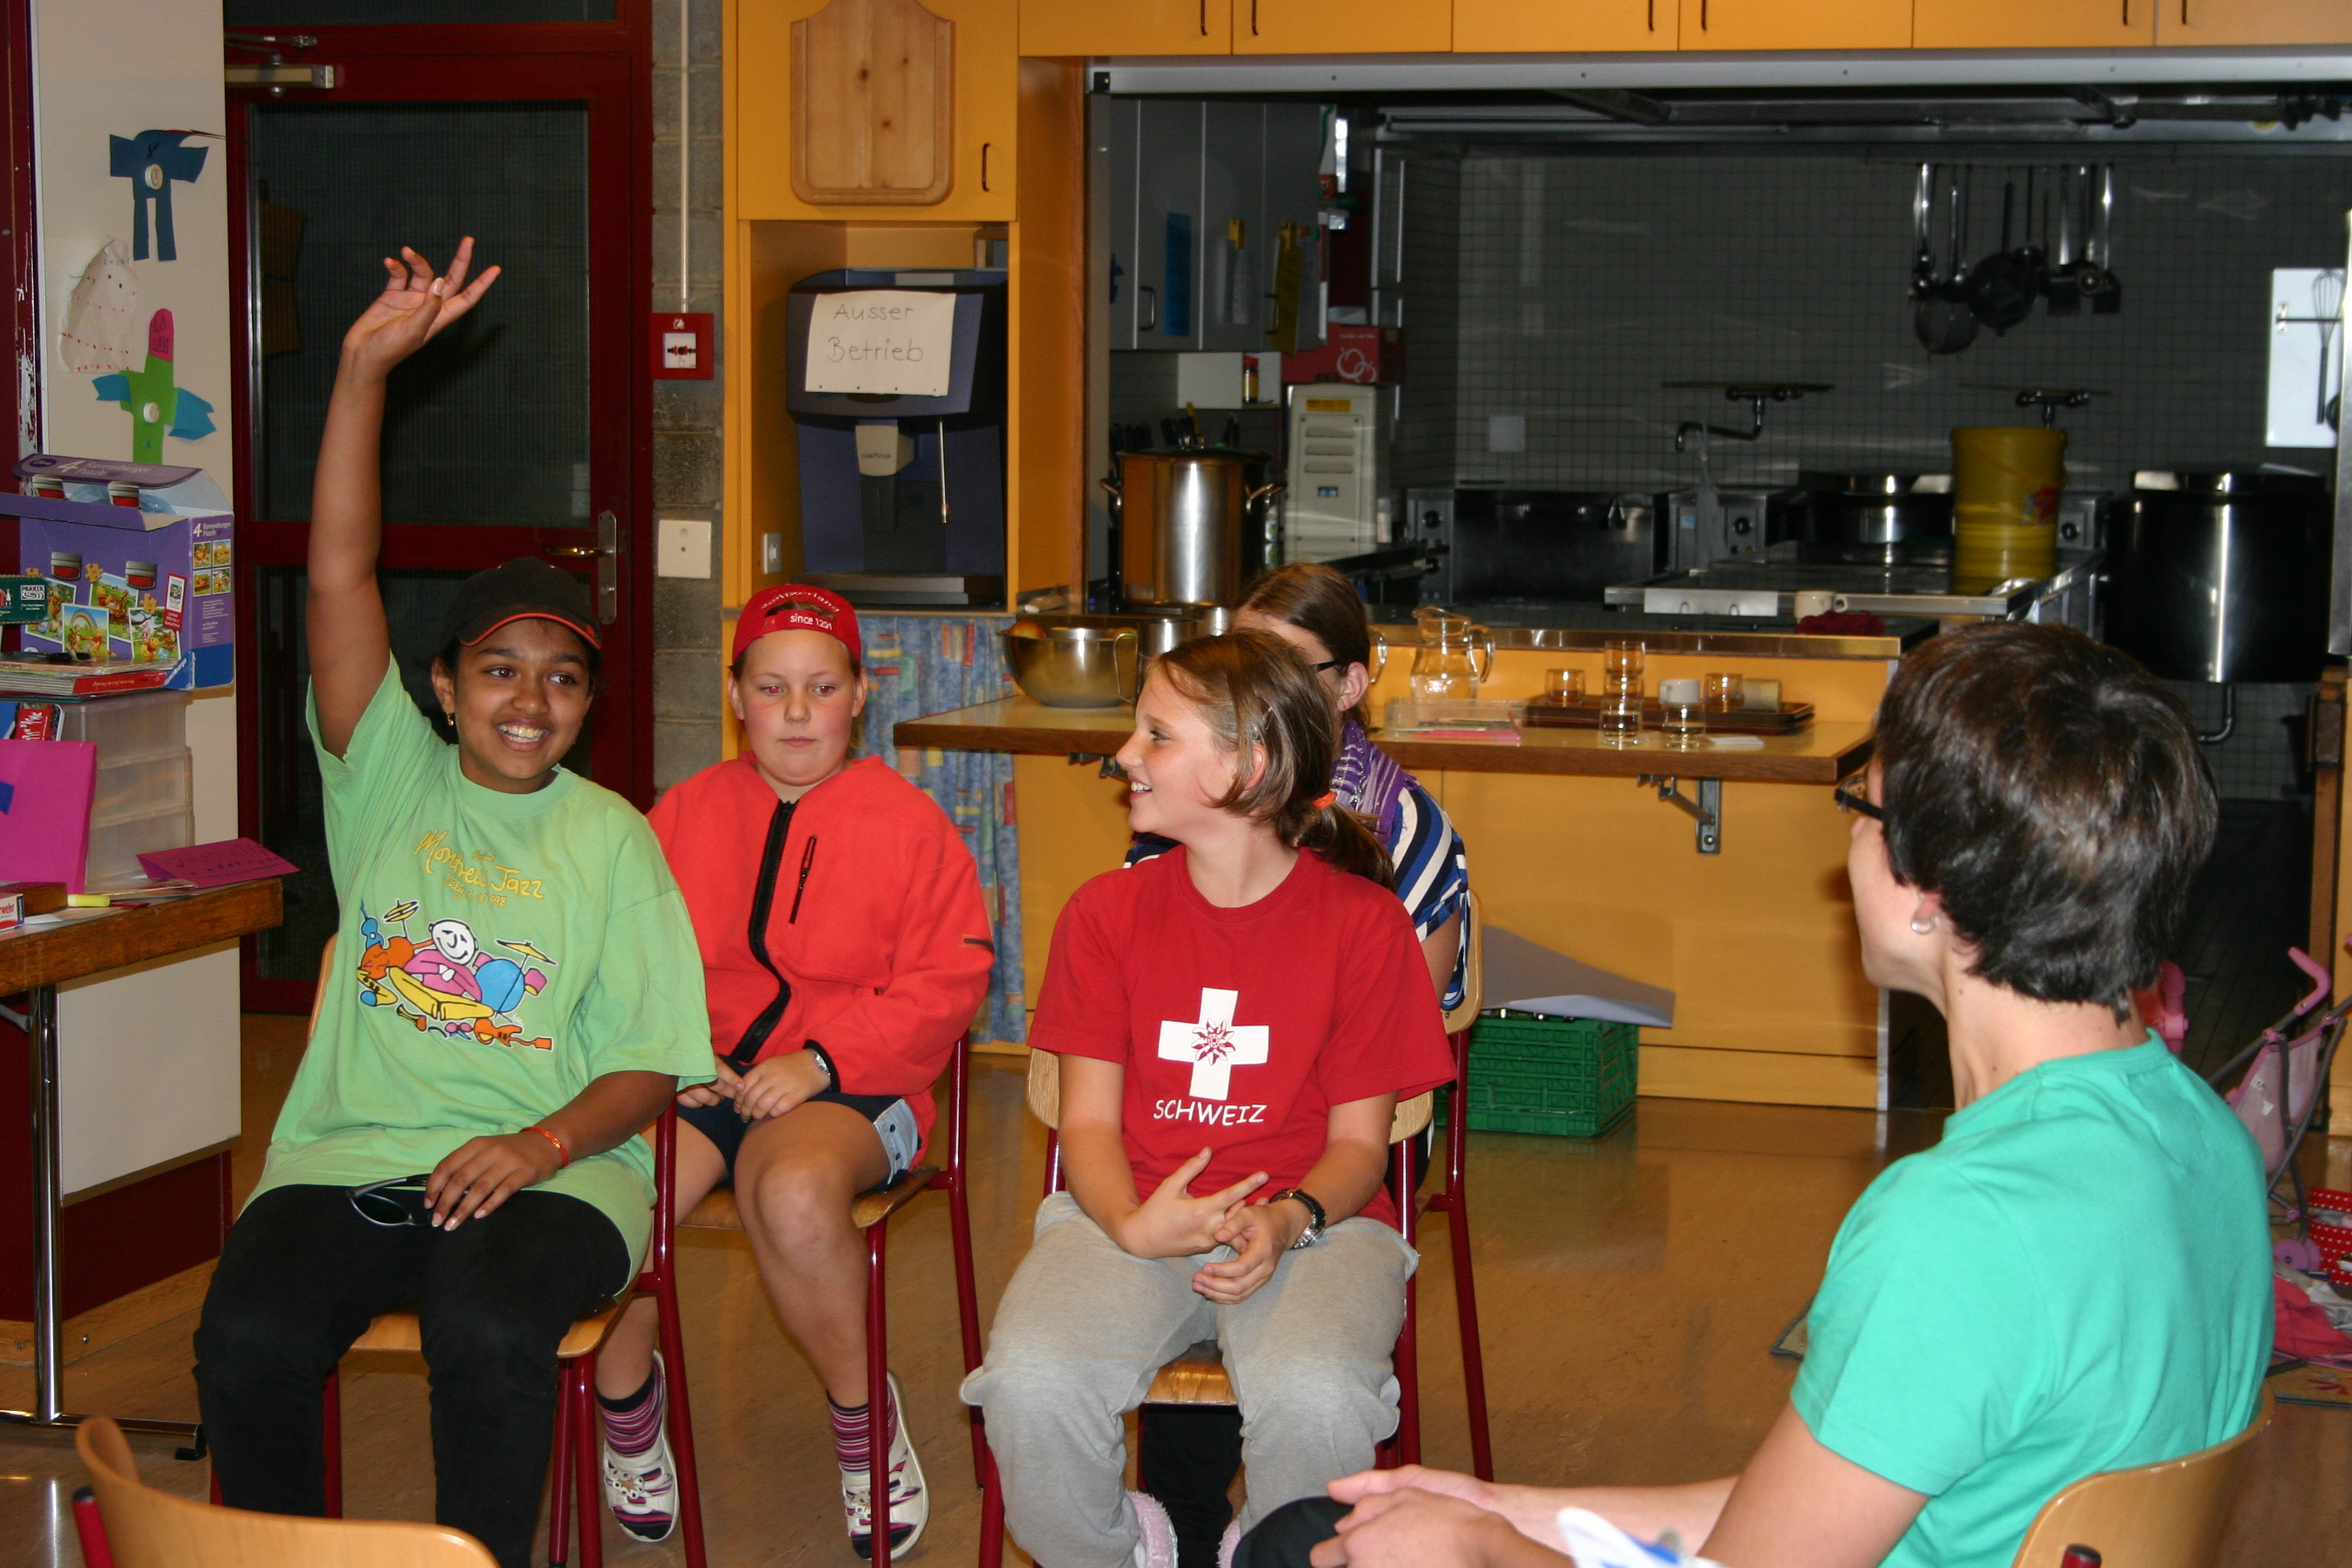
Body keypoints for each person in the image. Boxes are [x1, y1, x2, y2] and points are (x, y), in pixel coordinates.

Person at [1247, 620, 2272, 1568]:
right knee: (1343, 1525)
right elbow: (1820, 1508)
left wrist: (1485, 1550)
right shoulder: (2203, 1139)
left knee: (1299, 1543)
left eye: (1861, 808)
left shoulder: (1959, 1227)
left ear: (1931, 891)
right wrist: (1506, 1506)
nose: (1849, 840)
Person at [192, 240, 714, 1568]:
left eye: (562, 678)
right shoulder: (388, 781)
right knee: (248, 1332)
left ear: (587, 705)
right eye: (498, 669)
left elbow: (652, 1063)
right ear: (442, 687)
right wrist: (362, 372)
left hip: (558, 1174)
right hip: (350, 1159)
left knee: (485, 1333)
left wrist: (537, 1144)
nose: (529, 700)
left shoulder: (614, 840)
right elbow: (337, 573)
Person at [963, 629, 1459, 1568]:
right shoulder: (1105, 914)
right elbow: (1089, 1122)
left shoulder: (1363, 925)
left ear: (1248, 766)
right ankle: (1127, 1551)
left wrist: (1287, 1217)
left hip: (1315, 1228)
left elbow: (1361, 1147)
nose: (1124, 754)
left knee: (1318, 1394)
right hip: (1123, 1213)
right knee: (1028, 1382)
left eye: (1156, 734)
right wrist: (1132, 1221)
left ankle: (1266, 1552)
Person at [591, 583, 996, 1557]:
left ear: (860, 693)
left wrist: (823, 1060)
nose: (799, 710)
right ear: (736, 696)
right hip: (700, 1074)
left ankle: (863, 1420)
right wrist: (672, 1050)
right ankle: (627, 1401)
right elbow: (622, 958)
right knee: (616, 1184)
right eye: (772, 688)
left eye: (823, 686)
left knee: (791, 1187)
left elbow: (951, 980)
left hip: (857, 1081)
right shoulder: (681, 814)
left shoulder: (910, 825)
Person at [1132, 565, 1475, 1562]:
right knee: (1186, 1220)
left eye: (1280, 662)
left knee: (1251, 1263)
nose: (1251, 681)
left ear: (1351, 685)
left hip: (1350, 1134)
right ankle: (1189, 1526)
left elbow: (1396, 1050)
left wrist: (1275, 1127)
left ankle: (1277, 1532)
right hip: (1205, 1122)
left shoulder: (1403, 827)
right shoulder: (1182, 812)